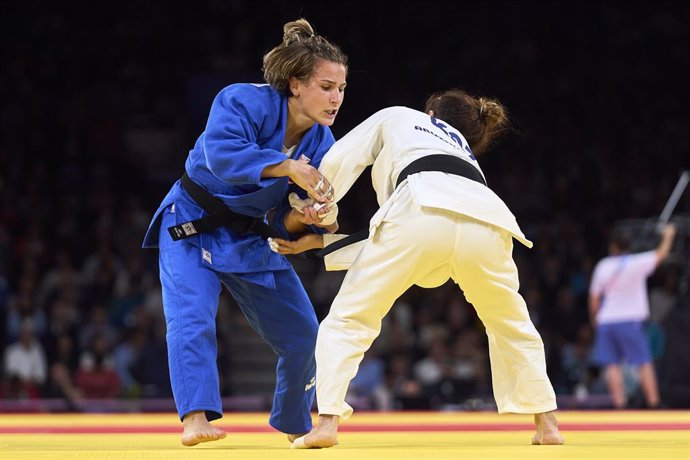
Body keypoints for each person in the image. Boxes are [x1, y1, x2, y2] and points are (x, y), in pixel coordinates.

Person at [269, 89, 564, 448]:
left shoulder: (401, 115)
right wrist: (324, 244)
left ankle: (327, 422)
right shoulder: (463, 151)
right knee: (511, 323)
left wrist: (313, 208)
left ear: (433, 111)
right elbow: (412, 232)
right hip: (490, 220)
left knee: (349, 319)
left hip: (419, 209)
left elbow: (344, 163)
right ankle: (547, 423)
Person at [141, 18, 347, 446]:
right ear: (296, 84)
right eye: (326, 86)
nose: (336, 98)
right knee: (192, 316)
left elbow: (286, 219)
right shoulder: (241, 100)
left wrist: (310, 216)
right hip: (191, 222)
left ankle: (295, 421)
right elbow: (221, 157)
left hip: (249, 236)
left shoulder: (323, 144)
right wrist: (287, 166)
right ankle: (195, 418)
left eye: (341, 89)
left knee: (304, 335)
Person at [588, 223, 676, 409]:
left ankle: (619, 403)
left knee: (612, 364)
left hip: (606, 321)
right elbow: (662, 254)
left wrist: (595, 319)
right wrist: (668, 235)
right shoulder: (638, 262)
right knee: (643, 362)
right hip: (629, 320)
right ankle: (654, 402)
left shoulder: (603, 265)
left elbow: (594, 297)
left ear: (613, 246)